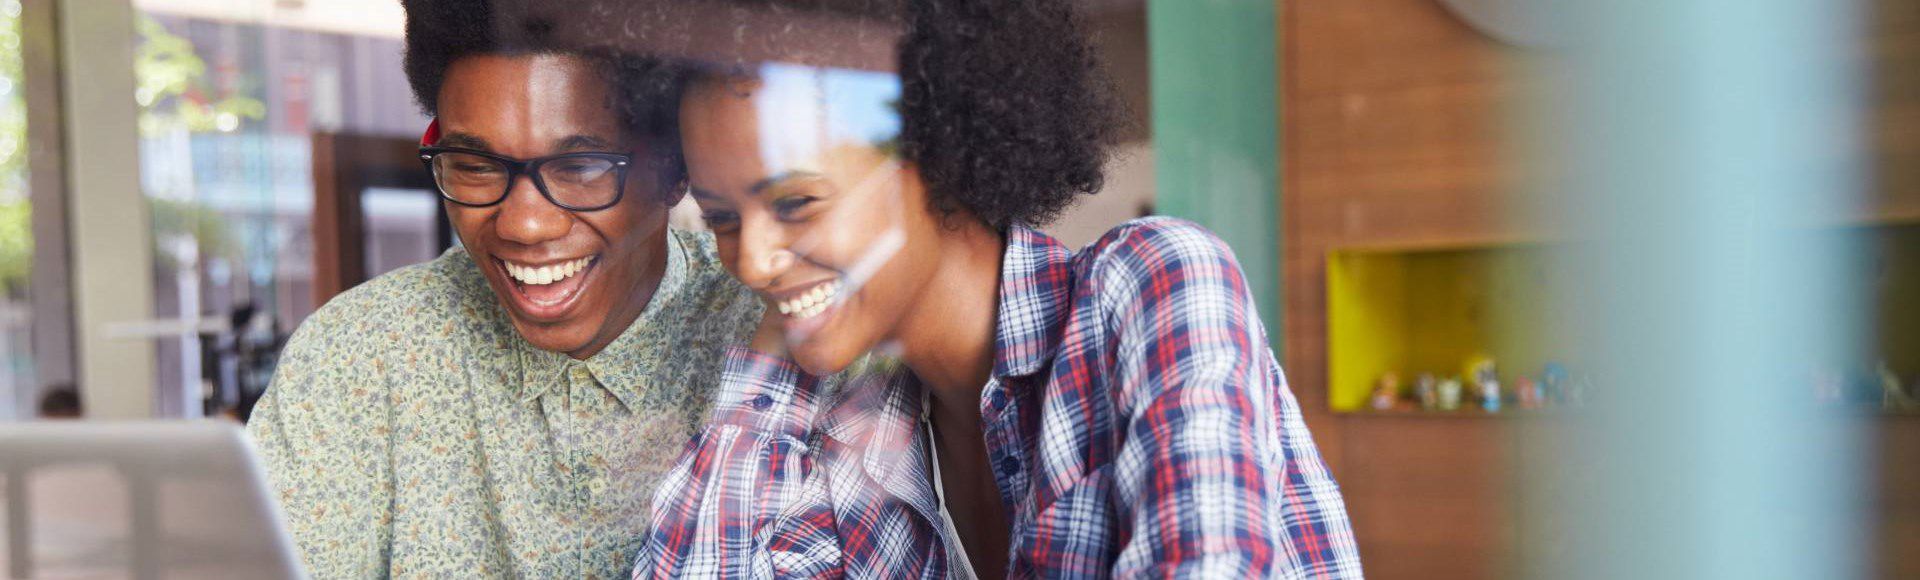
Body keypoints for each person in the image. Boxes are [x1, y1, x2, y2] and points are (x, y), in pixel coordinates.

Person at [636, 0, 1363, 577]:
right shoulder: (845, 439)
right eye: (725, 218)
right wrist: (774, 362)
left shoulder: (1153, 284)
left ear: (940, 155)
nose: (754, 260)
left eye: (797, 203)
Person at [246, 1, 759, 576]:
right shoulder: (359, 355)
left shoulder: (773, 334)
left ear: (673, 169)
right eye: (474, 164)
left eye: (582, 166)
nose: (523, 224)